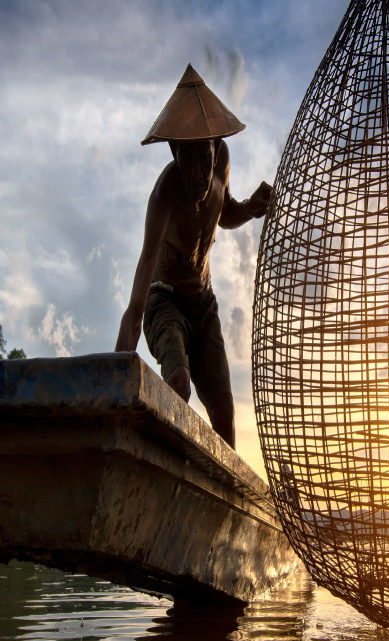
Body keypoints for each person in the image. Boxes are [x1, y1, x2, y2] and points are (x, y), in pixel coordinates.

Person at [115, 63, 271, 448]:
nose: (198, 173)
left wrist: (250, 207)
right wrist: (114, 373)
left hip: (203, 302)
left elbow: (225, 211)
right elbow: (140, 289)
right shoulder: (164, 196)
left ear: (216, 147)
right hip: (164, 300)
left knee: (224, 412)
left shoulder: (222, 163)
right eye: (188, 159)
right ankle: (168, 470)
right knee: (178, 383)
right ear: (174, 152)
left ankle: (221, 501)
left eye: (205, 156)